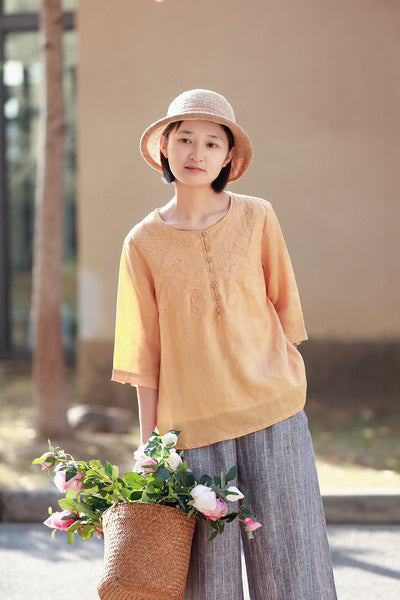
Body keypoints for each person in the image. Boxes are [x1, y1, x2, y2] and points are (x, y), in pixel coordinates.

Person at [111, 89, 337, 600]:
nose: (197, 153)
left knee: (295, 570)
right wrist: (151, 447)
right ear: (164, 147)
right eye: (185, 139)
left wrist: (280, 379)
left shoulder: (259, 216)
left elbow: (285, 306)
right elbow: (144, 354)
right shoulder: (141, 243)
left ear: (228, 157)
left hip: (274, 415)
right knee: (207, 585)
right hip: (191, 434)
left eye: (212, 143)